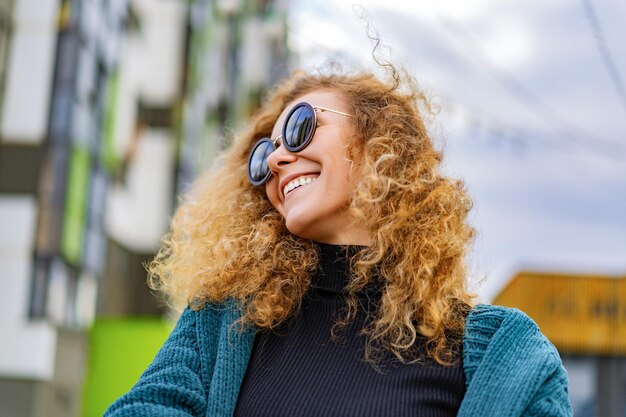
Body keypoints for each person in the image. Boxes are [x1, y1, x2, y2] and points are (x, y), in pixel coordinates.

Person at [104, 66, 573, 417]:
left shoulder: (503, 354)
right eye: (263, 155)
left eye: (300, 128)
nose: (276, 161)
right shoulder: (222, 321)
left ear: (380, 144)